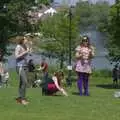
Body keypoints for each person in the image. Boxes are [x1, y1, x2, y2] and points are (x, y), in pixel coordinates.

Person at [15, 36, 30, 105]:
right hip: (20, 66)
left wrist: (28, 49)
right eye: (25, 39)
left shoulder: (25, 47)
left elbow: (29, 54)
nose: (26, 40)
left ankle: (20, 98)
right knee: (25, 82)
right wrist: (25, 52)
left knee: (22, 83)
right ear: (22, 40)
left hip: (25, 66)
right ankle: (23, 99)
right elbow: (16, 56)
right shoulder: (18, 46)